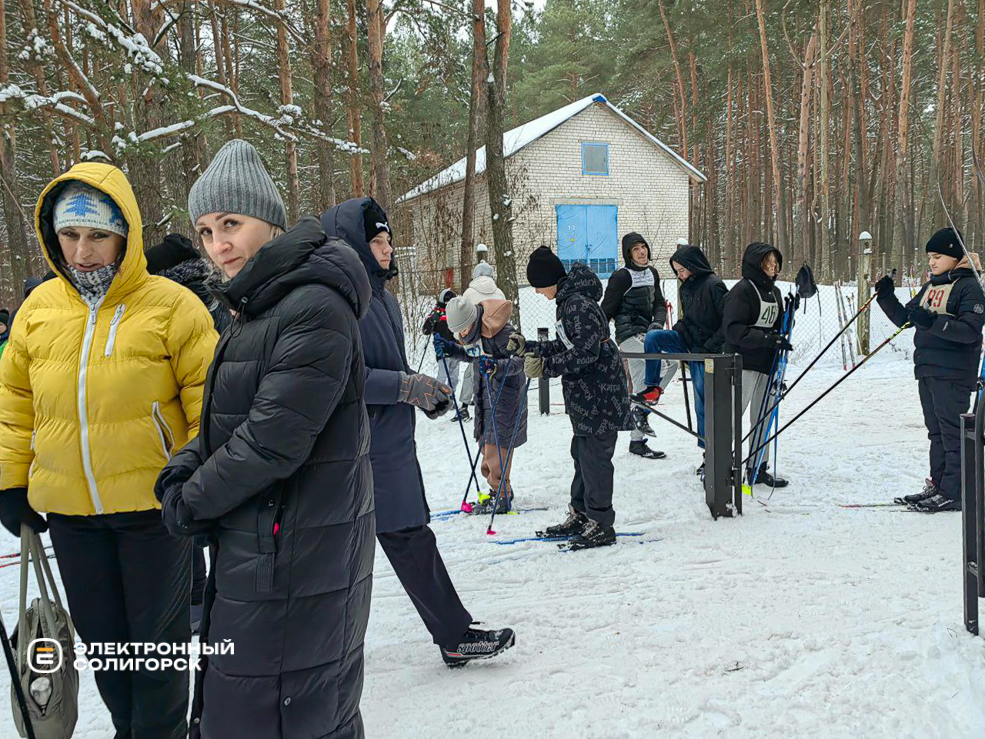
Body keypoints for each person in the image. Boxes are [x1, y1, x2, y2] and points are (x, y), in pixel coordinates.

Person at [155, 140, 376, 738]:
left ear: (271, 223)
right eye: (205, 230)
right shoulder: (256, 307)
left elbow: (271, 440)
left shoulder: (312, 307)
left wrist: (190, 498)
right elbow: (226, 420)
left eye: (232, 224)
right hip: (262, 550)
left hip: (296, 562)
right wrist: (185, 463)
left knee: (289, 717)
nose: (217, 245)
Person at [0, 162, 217, 739]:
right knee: (106, 648)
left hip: (154, 511)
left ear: (127, 234)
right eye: (70, 235)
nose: (83, 250)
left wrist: (196, 484)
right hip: (71, 517)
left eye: (97, 235)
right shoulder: (39, 310)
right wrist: (10, 483)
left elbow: (211, 408)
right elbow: (15, 402)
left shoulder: (172, 306)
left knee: (156, 652)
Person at [321, 196, 515, 666]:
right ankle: (304, 657)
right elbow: (338, 379)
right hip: (351, 451)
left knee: (410, 537)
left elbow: (386, 367)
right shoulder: (333, 299)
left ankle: (453, 634)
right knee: (330, 560)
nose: (386, 249)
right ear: (351, 243)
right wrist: (405, 387)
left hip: (389, 444)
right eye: (376, 240)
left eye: (388, 240)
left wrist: (421, 388)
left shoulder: (381, 297)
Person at [509, 246, 634, 550]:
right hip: (586, 395)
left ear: (550, 279)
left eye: (538, 285)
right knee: (581, 454)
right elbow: (569, 342)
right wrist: (532, 348)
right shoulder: (568, 302)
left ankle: (601, 523)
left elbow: (587, 353)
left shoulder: (576, 304)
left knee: (595, 459)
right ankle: (581, 514)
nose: (538, 292)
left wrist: (548, 367)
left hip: (600, 394)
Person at [145, 232, 232, 635]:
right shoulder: (215, 293)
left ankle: (199, 600)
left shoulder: (177, 304)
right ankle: (212, 594)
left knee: (186, 511)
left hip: (191, 423)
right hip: (215, 420)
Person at [875, 227, 985, 513]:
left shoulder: (969, 286)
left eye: (938, 256)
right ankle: (939, 484)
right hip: (927, 369)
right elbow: (907, 318)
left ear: (953, 256)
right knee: (935, 433)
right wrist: (886, 297)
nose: (932, 262)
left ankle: (954, 492)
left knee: (953, 434)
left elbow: (970, 331)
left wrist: (932, 322)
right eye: (930, 258)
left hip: (953, 372)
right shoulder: (934, 285)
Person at [639, 244, 727, 473]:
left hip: (707, 351)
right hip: (689, 341)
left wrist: (709, 347)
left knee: (702, 401)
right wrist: (679, 328)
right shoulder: (685, 288)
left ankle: (710, 454)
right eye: (676, 271)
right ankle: (653, 388)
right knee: (653, 338)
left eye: (681, 270)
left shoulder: (715, 285)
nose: (679, 275)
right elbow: (689, 319)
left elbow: (727, 323)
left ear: (693, 266)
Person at [439, 295, 527, 514]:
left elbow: (521, 359)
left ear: (473, 320)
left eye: (463, 329)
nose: (462, 335)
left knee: (497, 447)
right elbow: (475, 355)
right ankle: (498, 490)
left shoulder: (502, 331)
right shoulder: (474, 332)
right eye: (457, 333)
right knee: (485, 443)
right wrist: (454, 350)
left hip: (505, 397)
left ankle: (502, 495)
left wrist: (496, 366)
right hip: (485, 394)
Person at [722, 242, 790, 489]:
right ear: (755, 264)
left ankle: (757, 466)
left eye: (775, 263)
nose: (772, 267)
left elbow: (778, 325)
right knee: (733, 416)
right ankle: (720, 465)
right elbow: (732, 329)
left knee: (763, 416)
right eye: (767, 263)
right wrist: (764, 338)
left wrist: (782, 333)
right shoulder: (742, 291)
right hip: (742, 363)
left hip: (767, 364)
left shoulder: (775, 292)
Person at [600, 232, 666, 460]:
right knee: (656, 371)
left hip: (649, 335)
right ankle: (640, 421)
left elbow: (659, 303)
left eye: (643, 247)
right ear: (629, 254)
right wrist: (601, 339)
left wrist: (657, 323)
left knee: (648, 380)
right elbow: (606, 309)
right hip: (628, 335)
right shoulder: (621, 277)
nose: (642, 251)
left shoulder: (653, 273)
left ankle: (638, 426)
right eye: (636, 248)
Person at [422, 288, 470, 423]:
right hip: (443, 350)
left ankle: (450, 398)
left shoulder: (455, 312)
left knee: (454, 377)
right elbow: (425, 330)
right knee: (442, 375)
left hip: (456, 349)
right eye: (447, 301)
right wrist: (432, 321)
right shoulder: (437, 312)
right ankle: (437, 399)